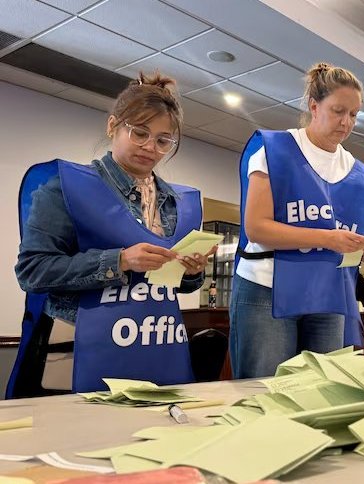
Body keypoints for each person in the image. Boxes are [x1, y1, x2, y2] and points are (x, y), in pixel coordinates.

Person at [10, 72, 215, 397]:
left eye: (163, 140)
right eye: (140, 133)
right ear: (112, 126)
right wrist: (118, 261)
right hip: (80, 348)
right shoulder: (64, 187)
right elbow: (32, 272)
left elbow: (175, 283)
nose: (150, 147)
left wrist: (191, 271)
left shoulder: (179, 203)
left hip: (157, 342)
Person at [230, 63, 364, 378]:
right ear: (314, 106)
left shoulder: (359, 173)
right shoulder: (274, 150)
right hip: (267, 287)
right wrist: (327, 239)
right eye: (338, 111)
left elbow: (346, 238)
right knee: (264, 389)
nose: (346, 122)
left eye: (354, 115)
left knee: (325, 390)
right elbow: (257, 228)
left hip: (326, 290)